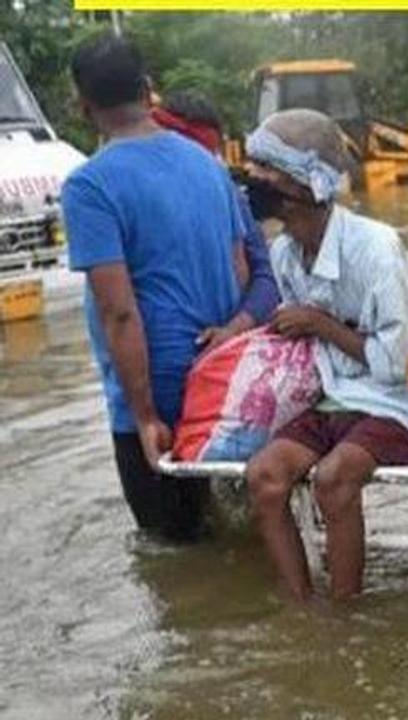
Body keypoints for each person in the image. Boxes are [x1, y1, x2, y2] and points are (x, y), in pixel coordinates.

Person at [242, 109, 408, 603]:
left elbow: (400, 364)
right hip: (334, 396)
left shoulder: (376, 249)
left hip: (399, 402)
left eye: (268, 170)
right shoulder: (285, 254)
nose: (255, 180)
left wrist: (320, 324)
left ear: (310, 184)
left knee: (333, 480)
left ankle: (344, 614)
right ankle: (304, 609)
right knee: (263, 477)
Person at [61, 34, 247, 542]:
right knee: (228, 535)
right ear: (149, 90)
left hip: (155, 390)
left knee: (170, 556)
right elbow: (239, 271)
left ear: (82, 103)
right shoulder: (209, 166)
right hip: (220, 379)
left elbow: (118, 312)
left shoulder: (89, 186)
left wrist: (143, 415)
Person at [150, 91, 280, 347]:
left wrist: (234, 328)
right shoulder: (135, 194)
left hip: (218, 343)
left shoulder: (228, 194)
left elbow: (266, 275)